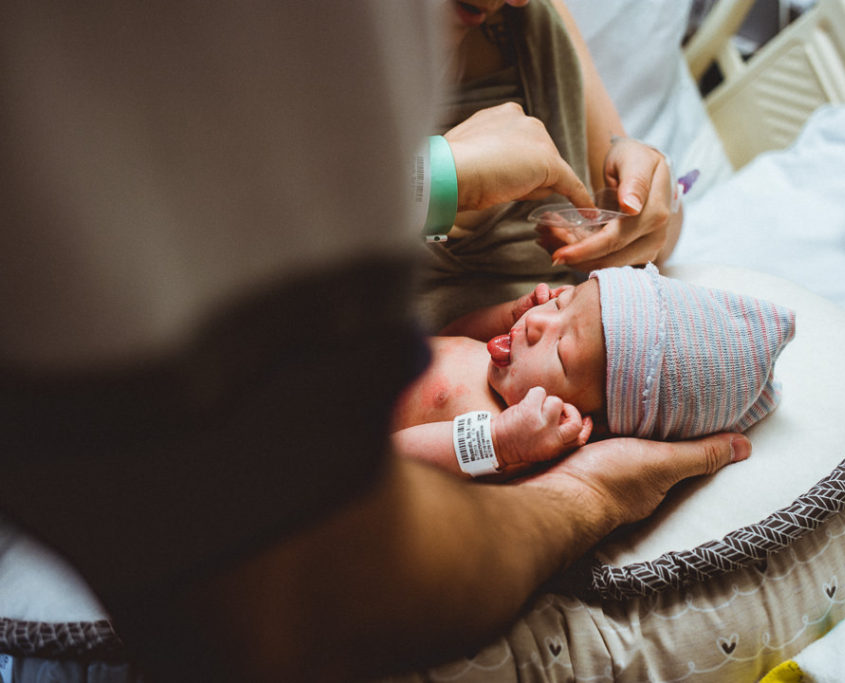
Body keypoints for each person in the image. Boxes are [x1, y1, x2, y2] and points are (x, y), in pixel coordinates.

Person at [1, 2, 750, 681]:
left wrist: (653, 211)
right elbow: (176, 249)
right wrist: (438, 182)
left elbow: (633, 196)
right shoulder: (278, 39)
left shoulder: (540, 24)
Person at [419, 0, 687, 330]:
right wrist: (442, 176)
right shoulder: (340, 41)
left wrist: (655, 208)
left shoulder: (532, 22)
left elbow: (647, 239)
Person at [394, 265, 795, 477]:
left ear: (587, 424)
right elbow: (449, 337)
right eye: (558, 304)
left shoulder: (523, 442)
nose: (537, 324)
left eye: (562, 351)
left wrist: (498, 444)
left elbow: (389, 467)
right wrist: (506, 315)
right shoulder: (510, 367)